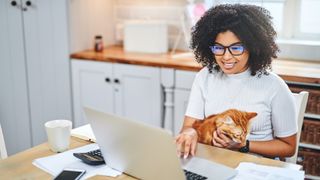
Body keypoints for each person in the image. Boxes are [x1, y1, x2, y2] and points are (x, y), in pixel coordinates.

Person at [175, 4, 297, 159]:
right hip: (212, 162)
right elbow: (188, 126)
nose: (226, 57)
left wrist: (243, 145)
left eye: (236, 48)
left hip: (253, 169)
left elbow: (288, 147)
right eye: (219, 48)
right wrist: (190, 134)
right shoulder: (205, 76)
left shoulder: (274, 86)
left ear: (253, 47)